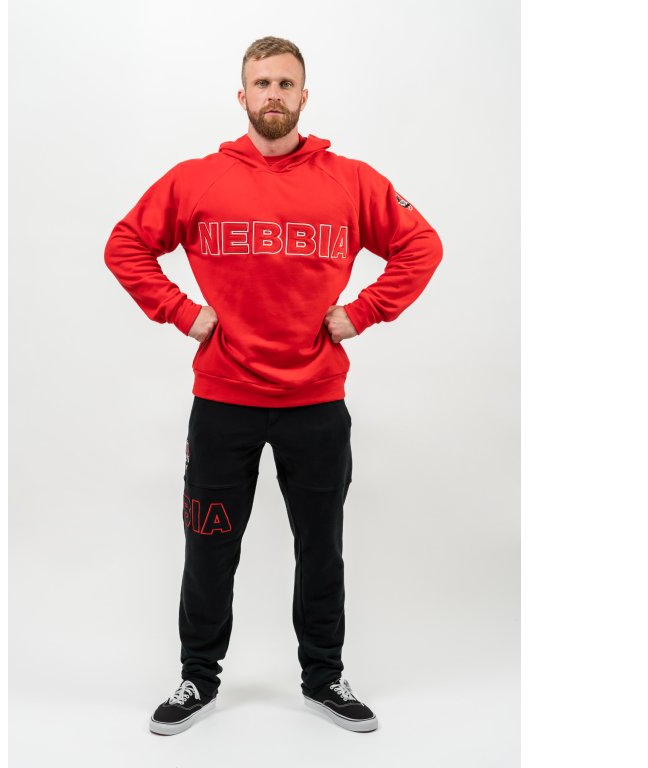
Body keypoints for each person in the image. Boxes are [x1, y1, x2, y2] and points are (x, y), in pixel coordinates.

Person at [104, 36, 443, 735]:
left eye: (286, 83)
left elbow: (421, 244)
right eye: (262, 83)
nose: (274, 95)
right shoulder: (197, 180)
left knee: (321, 548)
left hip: (315, 403)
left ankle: (324, 676)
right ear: (242, 95)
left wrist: (363, 312)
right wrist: (184, 313)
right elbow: (126, 245)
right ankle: (198, 677)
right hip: (223, 401)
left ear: (304, 96)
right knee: (209, 548)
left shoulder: (351, 181)